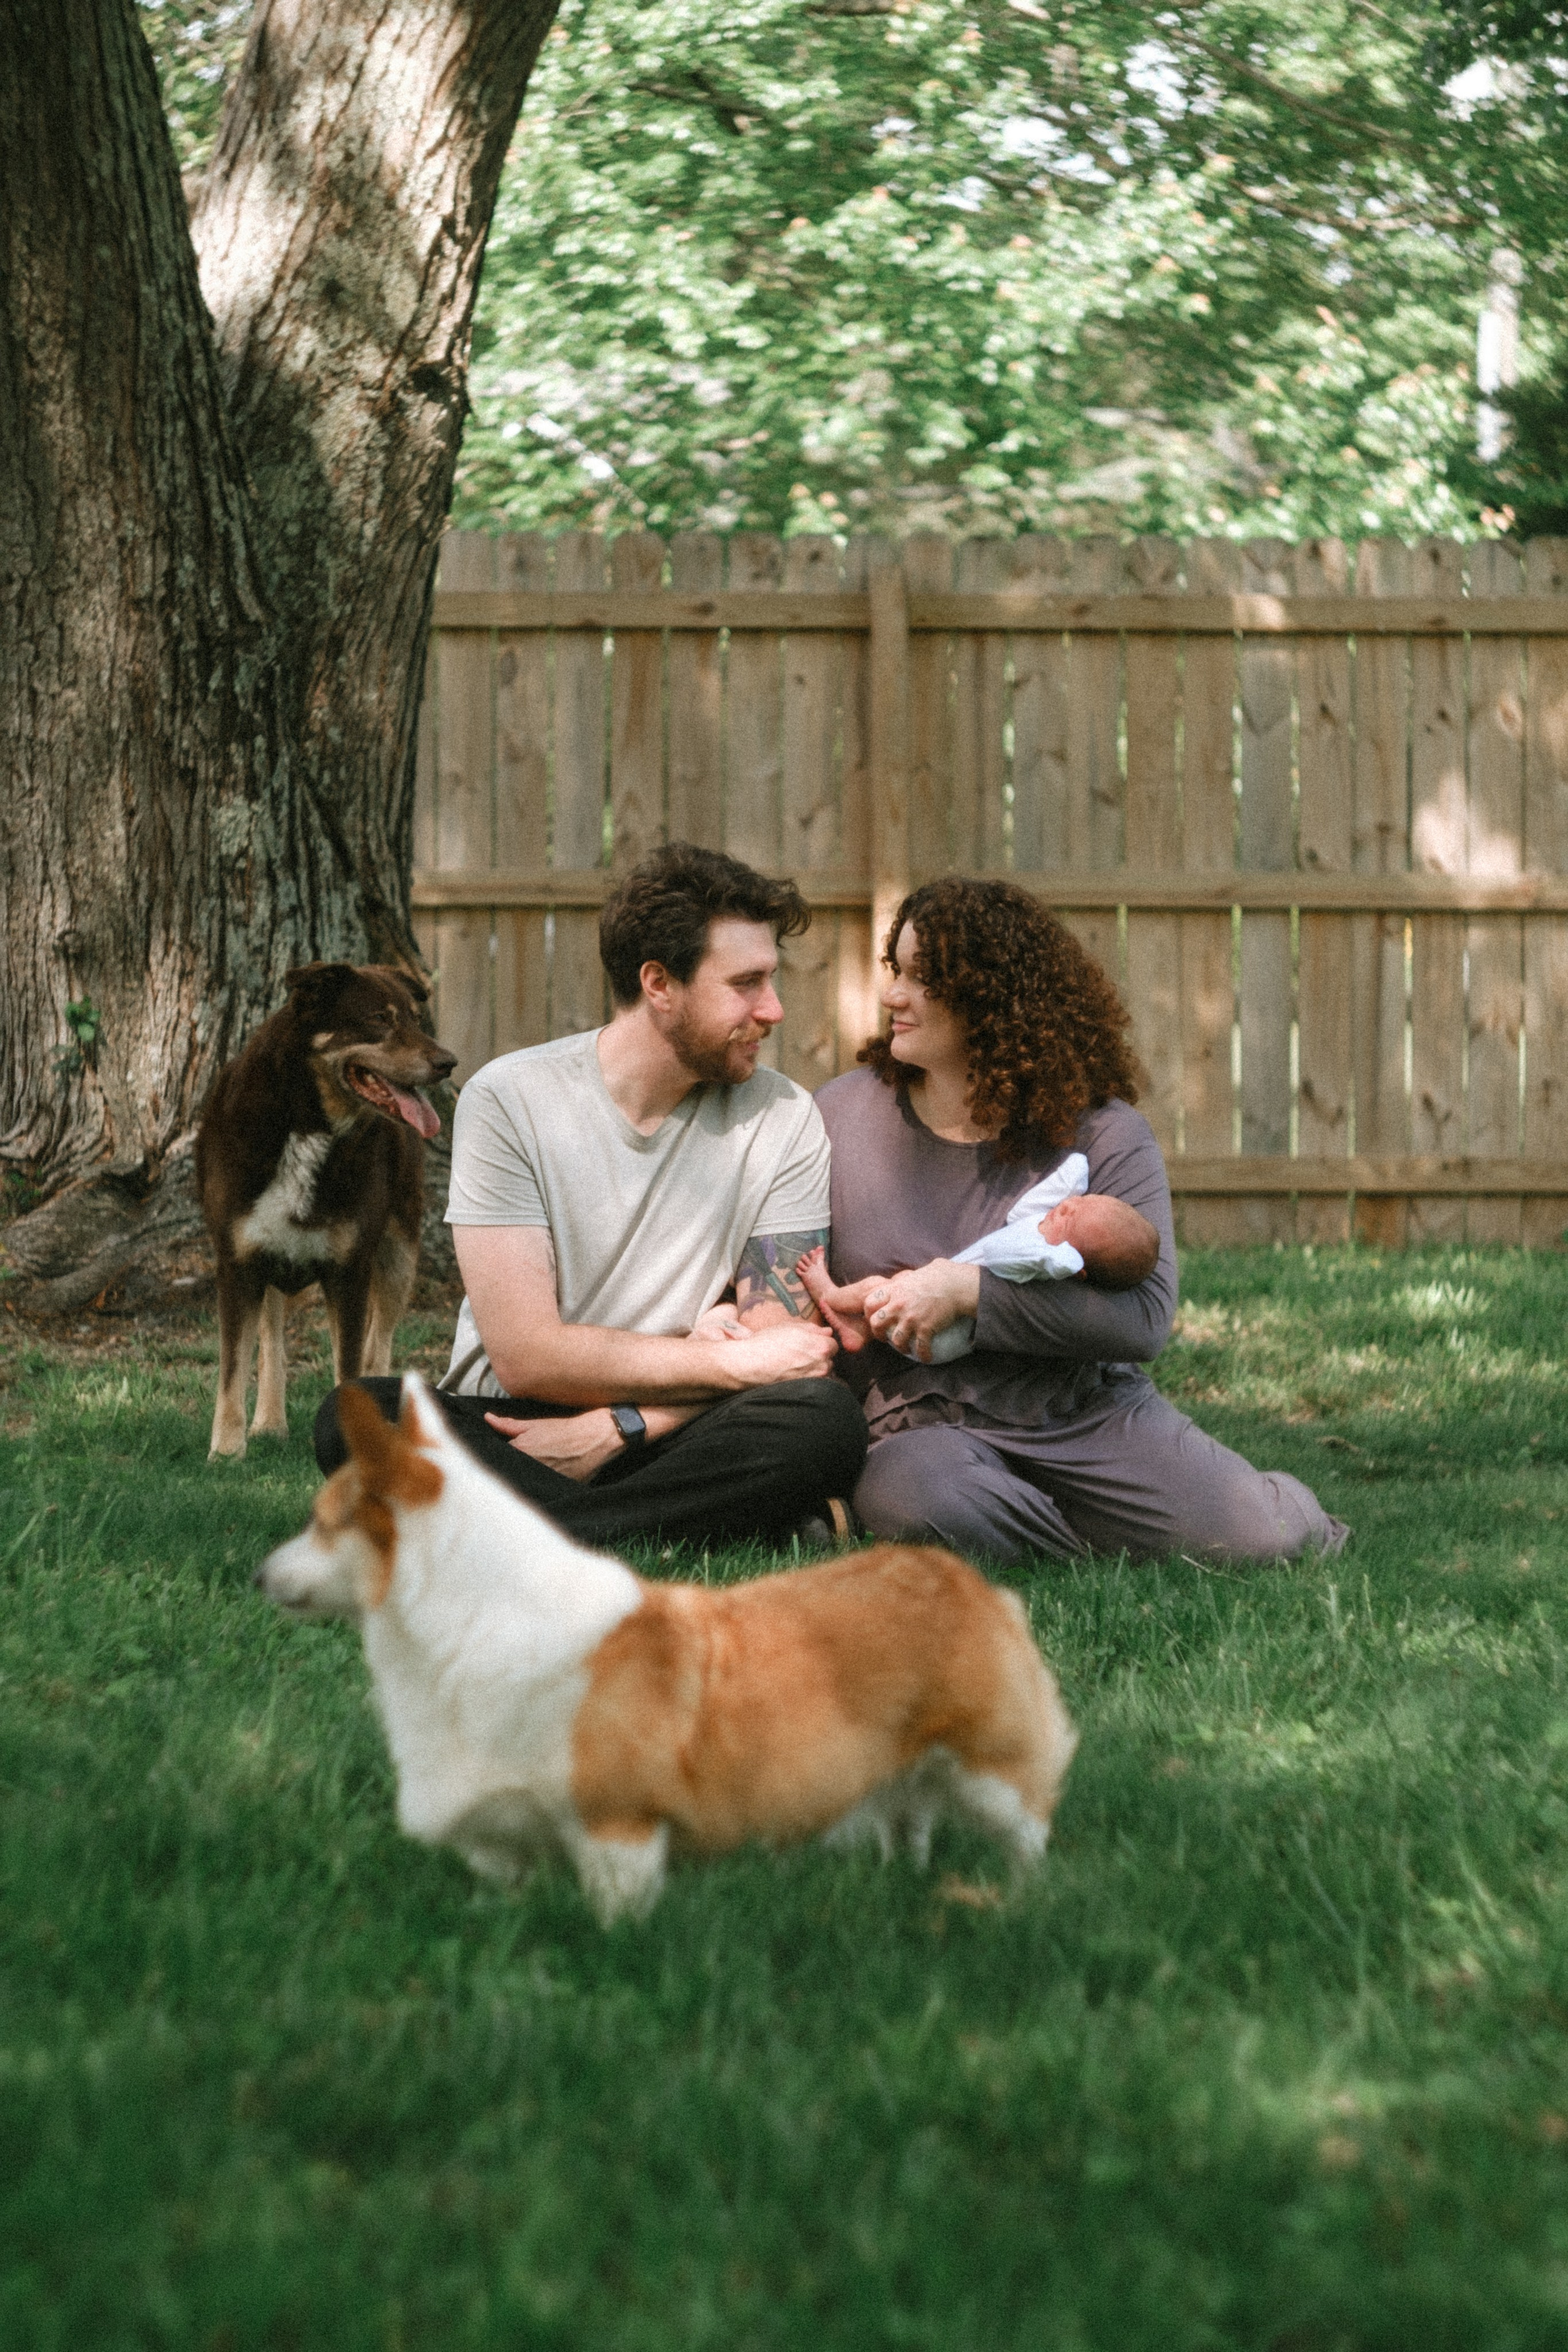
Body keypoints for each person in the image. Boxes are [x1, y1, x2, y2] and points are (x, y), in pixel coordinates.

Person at [314, 843, 867, 1548]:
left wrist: (619, 1426)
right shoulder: (511, 1100)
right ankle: (693, 1525)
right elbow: (526, 1355)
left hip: (677, 1417)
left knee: (821, 1417)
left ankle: (538, 1535)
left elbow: (778, 1352)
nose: (775, 1010)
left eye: (772, 981)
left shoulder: (784, 1118)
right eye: (747, 984)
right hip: (511, 1423)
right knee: (357, 1412)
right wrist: (723, 1365)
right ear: (659, 984)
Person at [812, 876, 1349, 1569]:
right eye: (897, 972)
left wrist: (972, 1293)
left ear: (992, 999)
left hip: (1083, 1415)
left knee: (1260, 1540)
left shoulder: (1104, 1132)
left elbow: (1143, 1321)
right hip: (920, 1429)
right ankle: (1095, 1537)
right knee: (926, 1505)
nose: (893, 996)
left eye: (923, 980)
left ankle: (1210, 1513)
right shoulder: (840, 1117)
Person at [796, 1174, 1160, 1359]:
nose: (1065, 1207)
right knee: (896, 1292)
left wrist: (955, 1282)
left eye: (1072, 1220)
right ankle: (859, 1328)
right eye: (1077, 1202)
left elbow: (1003, 1255)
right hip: (943, 1334)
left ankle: (829, 1293)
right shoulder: (1054, 1237)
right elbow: (1034, 1206)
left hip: (938, 1337)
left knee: (885, 1285)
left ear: (1075, 1263)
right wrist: (1073, 1179)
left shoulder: (1042, 1255)